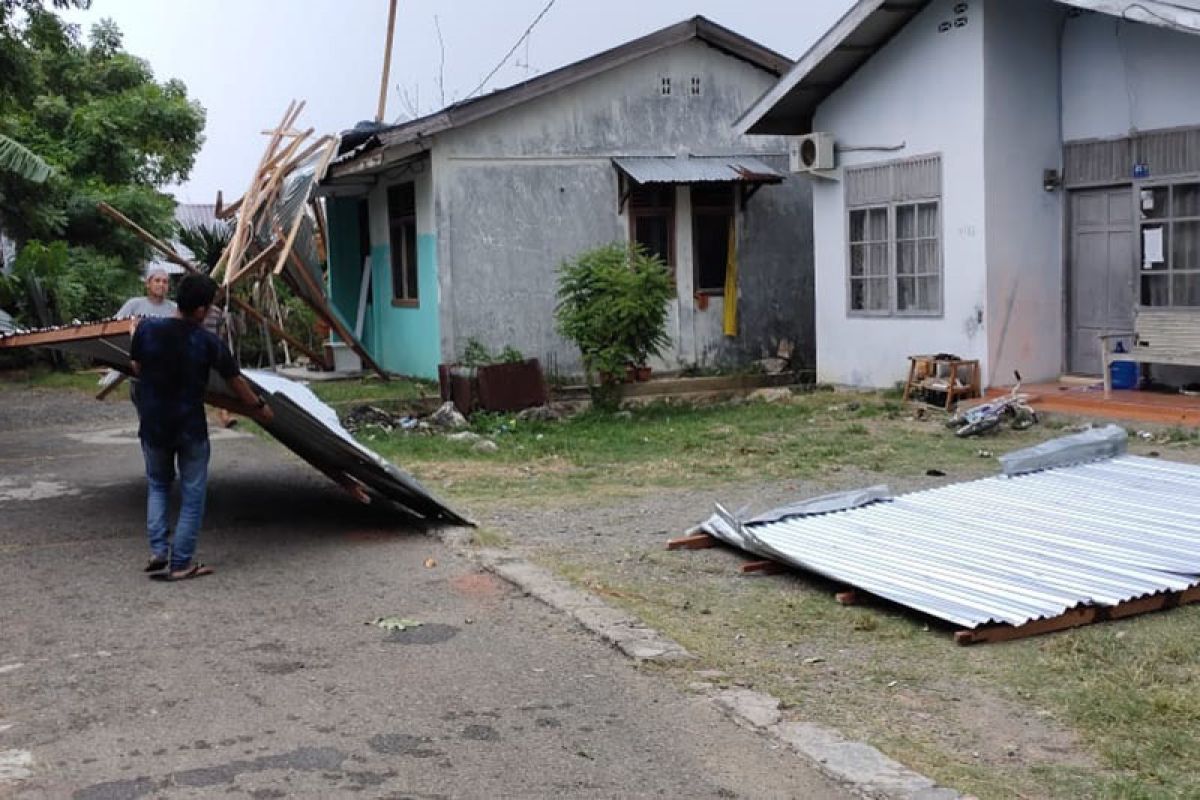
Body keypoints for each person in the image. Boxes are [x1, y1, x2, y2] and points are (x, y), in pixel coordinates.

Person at [130, 273, 273, 581]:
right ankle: (181, 563)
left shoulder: (147, 330)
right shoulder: (207, 342)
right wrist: (260, 409)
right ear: (200, 310)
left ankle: (158, 550)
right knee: (193, 493)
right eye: (208, 308)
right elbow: (237, 383)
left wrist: (134, 339)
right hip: (189, 427)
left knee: (158, 484)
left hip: (153, 423)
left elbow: (137, 368)